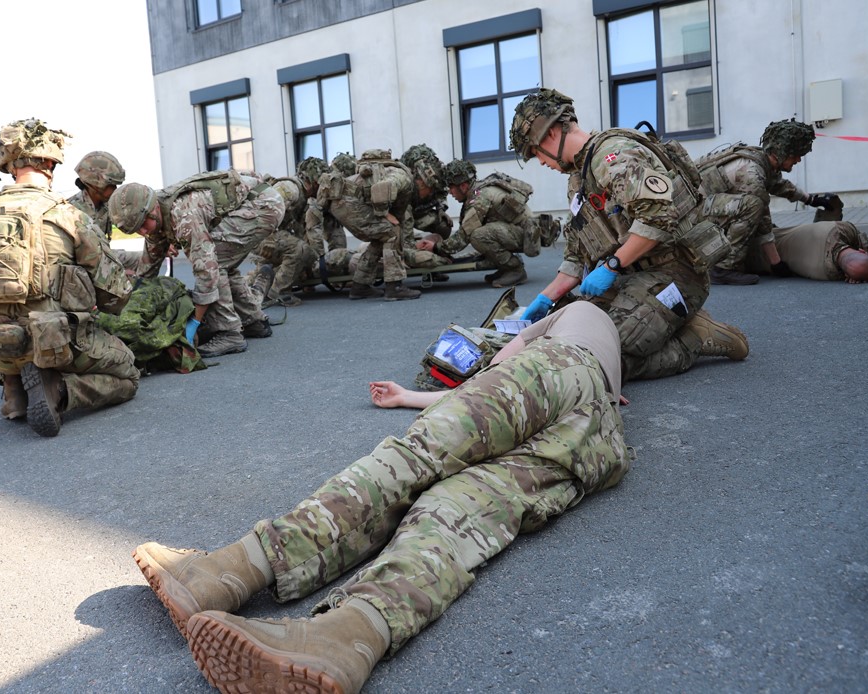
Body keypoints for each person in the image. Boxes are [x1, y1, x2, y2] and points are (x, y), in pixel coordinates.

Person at [132, 301, 632, 694]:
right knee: (456, 516)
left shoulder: (571, 313)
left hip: (550, 368)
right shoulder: (612, 369)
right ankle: (347, 638)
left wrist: (414, 400)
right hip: (599, 438)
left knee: (412, 459)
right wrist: (406, 397)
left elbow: (494, 377)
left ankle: (232, 570)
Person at [508, 88, 749, 382]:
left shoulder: (615, 156)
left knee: (599, 356)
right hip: (626, 277)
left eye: (535, 153)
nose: (541, 163)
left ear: (549, 135)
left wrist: (611, 266)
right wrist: (546, 299)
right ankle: (667, 323)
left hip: (675, 273)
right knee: (564, 335)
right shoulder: (578, 179)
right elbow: (576, 252)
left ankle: (695, 338)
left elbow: (658, 217)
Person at [0, 118, 139, 437]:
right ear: (50, 163)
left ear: (11, 165)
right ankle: (59, 390)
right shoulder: (66, 213)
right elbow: (114, 291)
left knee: (5, 312)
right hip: (53, 341)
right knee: (128, 375)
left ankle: (14, 391)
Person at [108, 172, 285, 357]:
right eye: (137, 230)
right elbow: (147, 268)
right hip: (253, 202)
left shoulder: (182, 215)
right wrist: (131, 302)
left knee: (216, 261)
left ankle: (229, 332)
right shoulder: (152, 213)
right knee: (223, 261)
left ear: (153, 210)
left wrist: (194, 322)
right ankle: (253, 320)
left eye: (143, 226)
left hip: (264, 204)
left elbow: (206, 272)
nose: (143, 232)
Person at [696, 119, 838, 285]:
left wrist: (812, 200)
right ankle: (724, 269)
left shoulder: (762, 159)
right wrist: (776, 263)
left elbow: (778, 184)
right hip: (694, 217)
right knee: (752, 207)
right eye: (795, 156)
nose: (798, 160)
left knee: (752, 206)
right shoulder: (750, 172)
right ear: (781, 153)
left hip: (707, 209)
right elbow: (763, 219)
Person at [312, 148, 421, 300]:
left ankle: (360, 286)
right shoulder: (402, 176)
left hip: (340, 203)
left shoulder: (388, 170)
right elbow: (382, 189)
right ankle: (394, 287)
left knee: (381, 237)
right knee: (392, 233)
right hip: (348, 203)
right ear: (419, 180)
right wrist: (383, 213)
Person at [419, 159, 539, 288]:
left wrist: (437, 247)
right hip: (517, 231)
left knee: (478, 235)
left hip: (526, 235)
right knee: (480, 233)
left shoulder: (479, 198)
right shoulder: (476, 192)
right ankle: (504, 267)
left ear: (463, 186)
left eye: (451, 187)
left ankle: (515, 269)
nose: (450, 192)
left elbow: (464, 236)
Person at [249, 157, 330, 307]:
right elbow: (263, 208)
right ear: (313, 180)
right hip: (260, 233)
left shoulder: (305, 197)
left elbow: (300, 230)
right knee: (300, 249)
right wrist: (268, 238)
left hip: (265, 234)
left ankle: (245, 292)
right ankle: (279, 293)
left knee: (267, 270)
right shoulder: (290, 188)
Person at [742, 220, 868, 283]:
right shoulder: (828, 274)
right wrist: (855, 274)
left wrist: (866, 251)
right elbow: (858, 266)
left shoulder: (841, 229)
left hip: (753, 236)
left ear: (862, 251)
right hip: (748, 263)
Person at [67, 151, 126, 241]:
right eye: (110, 185)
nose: (114, 189)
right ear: (94, 184)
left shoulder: (107, 206)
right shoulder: (70, 212)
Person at [399, 144, 453, 239]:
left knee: (444, 226)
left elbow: (441, 192)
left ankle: (434, 246)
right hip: (399, 217)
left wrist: (441, 209)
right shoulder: (403, 180)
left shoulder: (435, 178)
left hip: (419, 213)